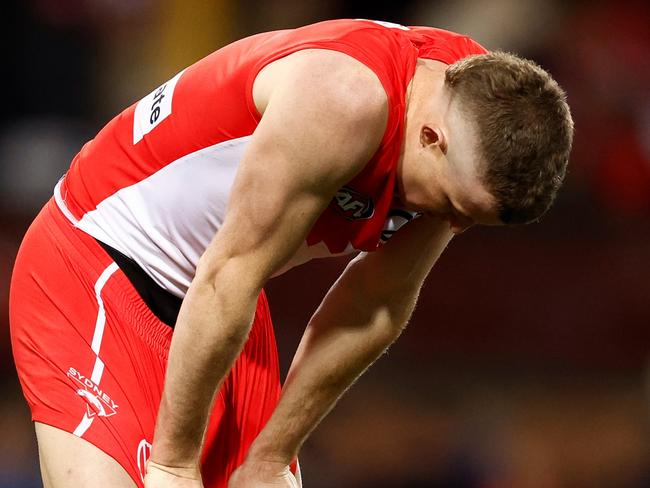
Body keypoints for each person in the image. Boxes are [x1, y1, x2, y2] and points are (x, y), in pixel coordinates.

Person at [9, 18, 573, 488]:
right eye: (454, 206)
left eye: (471, 220)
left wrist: (270, 456)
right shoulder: (342, 101)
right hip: (95, 266)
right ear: (430, 137)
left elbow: (375, 303)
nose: (452, 225)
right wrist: (173, 465)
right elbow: (229, 271)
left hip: (220, 305)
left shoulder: (472, 108)